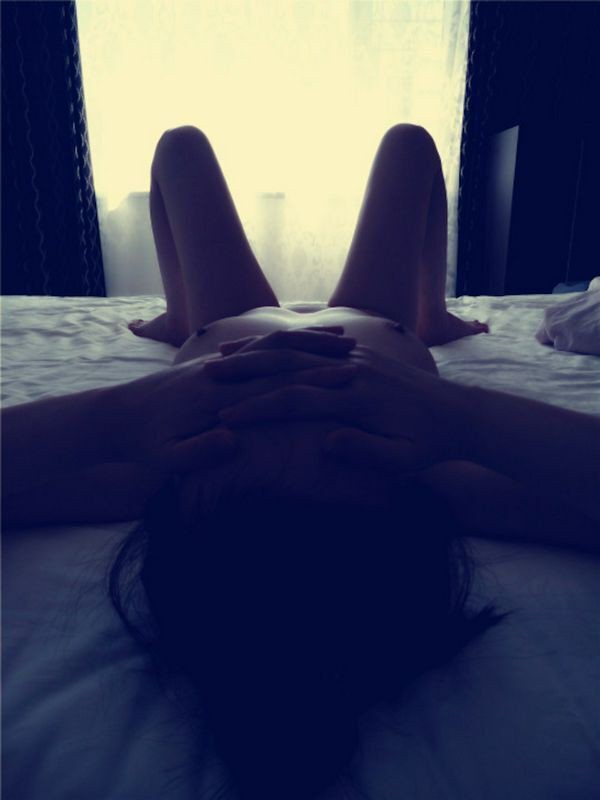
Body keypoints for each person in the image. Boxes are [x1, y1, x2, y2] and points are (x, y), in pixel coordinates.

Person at [3, 125, 599, 800]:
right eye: (340, 437)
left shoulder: (155, 473)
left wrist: (114, 419)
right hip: (373, 318)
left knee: (180, 146)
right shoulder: (439, 477)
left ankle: (177, 317)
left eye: (238, 432)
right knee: (410, 143)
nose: (291, 402)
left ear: (181, 494)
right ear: (405, 488)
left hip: (226, 320)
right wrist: (460, 416)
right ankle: (430, 315)